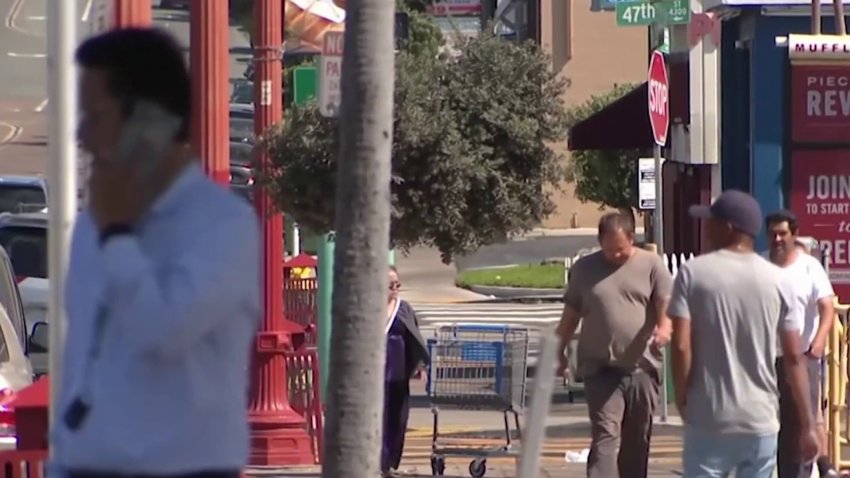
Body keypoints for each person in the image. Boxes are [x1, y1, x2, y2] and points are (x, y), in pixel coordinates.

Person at [50, 28, 260, 478]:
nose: (82, 136)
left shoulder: (221, 226)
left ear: (150, 122)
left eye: (95, 117)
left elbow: (163, 331)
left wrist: (120, 239)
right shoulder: (93, 223)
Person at [668, 190, 819, 478]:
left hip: (709, 416)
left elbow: (682, 344)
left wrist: (683, 396)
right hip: (759, 418)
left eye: (711, 221)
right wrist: (808, 424)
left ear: (728, 228)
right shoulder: (777, 280)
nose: (706, 227)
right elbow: (793, 357)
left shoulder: (693, 273)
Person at [556, 211, 673, 478]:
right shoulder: (585, 270)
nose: (613, 255)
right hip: (600, 368)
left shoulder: (651, 265)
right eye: (608, 249)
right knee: (605, 434)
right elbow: (571, 315)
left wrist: (664, 327)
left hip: (642, 367)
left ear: (631, 239)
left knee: (637, 439)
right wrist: (558, 351)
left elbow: (665, 302)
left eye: (619, 250)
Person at [764, 210, 838, 478]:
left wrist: (818, 342)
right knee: (769, 426)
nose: (777, 239)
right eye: (772, 234)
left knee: (800, 427)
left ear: (794, 235)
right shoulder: (760, 266)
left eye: (783, 233)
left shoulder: (809, 267)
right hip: (765, 360)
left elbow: (827, 307)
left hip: (802, 359)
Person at [382, 266, 430, 477]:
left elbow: (414, 338)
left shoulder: (404, 309)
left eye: (397, 285)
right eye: (390, 285)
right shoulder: (369, 309)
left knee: (398, 419)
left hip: (399, 372)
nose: (394, 289)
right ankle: (380, 462)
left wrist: (419, 366)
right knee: (379, 418)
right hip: (375, 373)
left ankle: (391, 462)